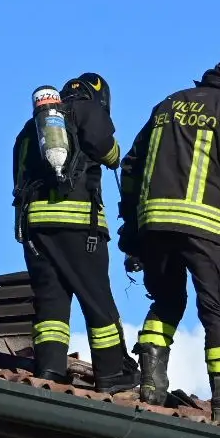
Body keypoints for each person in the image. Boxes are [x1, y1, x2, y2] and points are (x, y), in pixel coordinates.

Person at [117, 49, 220, 426]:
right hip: (207, 228)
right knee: (218, 314)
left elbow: (132, 166)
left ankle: (150, 384)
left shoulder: (168, 104)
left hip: (155, 226)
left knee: (167, 300)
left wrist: (132, 226)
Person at [12, 73, 139, 392]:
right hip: (79, 225)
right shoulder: (87, 109)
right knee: (96, 297)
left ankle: (50, 368)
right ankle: (112, 372)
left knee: (51, 301)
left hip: (35, 229)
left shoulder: (30, 128)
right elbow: (108, 152)